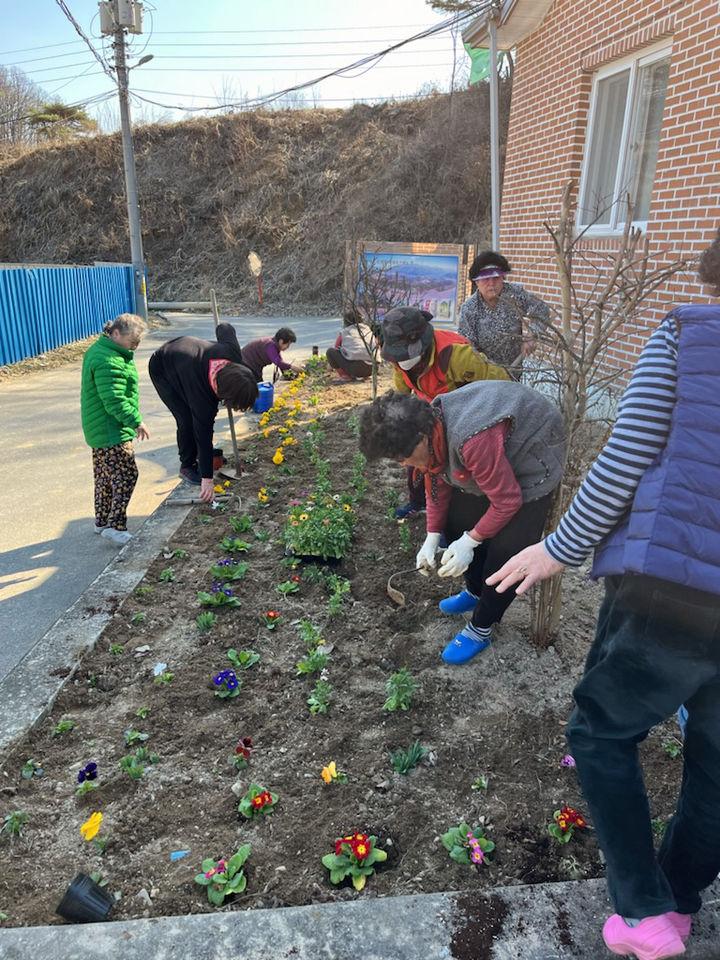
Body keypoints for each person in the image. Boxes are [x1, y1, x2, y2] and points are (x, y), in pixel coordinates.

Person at [487, 231, 720, 960]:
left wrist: (557, 548)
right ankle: (676, 904)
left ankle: (644, 914)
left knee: (601, 731)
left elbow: (628, 452)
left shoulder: (689, 332)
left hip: (675, 589)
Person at [359, 380, 564, 664]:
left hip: (532, 451)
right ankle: (476, 590)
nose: (405, 464)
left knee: (506, 550)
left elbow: (507, 502)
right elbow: (437, 477)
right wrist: (432, 535)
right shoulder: (431, 428)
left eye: (404, 457)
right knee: (455, 519)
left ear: (421, 436)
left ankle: (482, 626)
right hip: (496, 454)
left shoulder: (472, 439)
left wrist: (471, 540)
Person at [380, 305, 510, 519]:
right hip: (429, 412)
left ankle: (458, 517)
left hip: (464, 416)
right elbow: (402, 388)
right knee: (415, 460)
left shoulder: (457, 356)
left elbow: (500, 385)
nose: (402, 363)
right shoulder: (397, 354)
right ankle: (419, 504)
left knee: (455, 471)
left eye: (407, 357)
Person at [148, 323, 258, 504]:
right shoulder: (203, 401)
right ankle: (187, 465)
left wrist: (221, 330)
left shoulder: (233, 354)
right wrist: (207, 479)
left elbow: (225, 328)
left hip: (188, 352)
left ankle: (201, 456)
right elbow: (204, 436)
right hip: (162, 366)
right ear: (224, 396)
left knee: (198, 425)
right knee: (186, 420)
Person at [80, 313, 149, 546]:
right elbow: (114, 400)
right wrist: (136, 420)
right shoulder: (109, 360)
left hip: (98, 428)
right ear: (116, 333)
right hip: (111, 430)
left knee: (104, 477)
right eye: (133, 340)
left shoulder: (103, 351)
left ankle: (101, 521)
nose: (135, 345)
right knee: (127, 475)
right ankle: (116, 525)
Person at [458, 250, 550, 378]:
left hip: (514, 372)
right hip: (485, 376)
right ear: (476, 282)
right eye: (485, 279)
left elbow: (542, 310)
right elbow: (467, 348)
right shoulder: (469, 309)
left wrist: (532, 335)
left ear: (503, 278)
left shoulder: (515, 294)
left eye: (496, 278)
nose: (491, 284)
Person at [326, 308, 376, 381]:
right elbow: (377, 346)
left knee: (330, 351)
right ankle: (367, 376)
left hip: (355, 369)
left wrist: (331, 365)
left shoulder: (345, 332)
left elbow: (336, 348)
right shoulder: (368, 330)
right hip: (373, 368)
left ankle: (345, 376)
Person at [240, 327, 305, 382]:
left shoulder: (274, 344)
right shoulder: (270, 345)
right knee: (256, 387)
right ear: (281, 341)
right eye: (288, 344)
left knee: (258, 386)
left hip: (253, 366)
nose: (288, 347)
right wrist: (292, 367)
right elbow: (277, 362)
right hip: (247, 364)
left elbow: (280, 361)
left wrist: (287, 374)